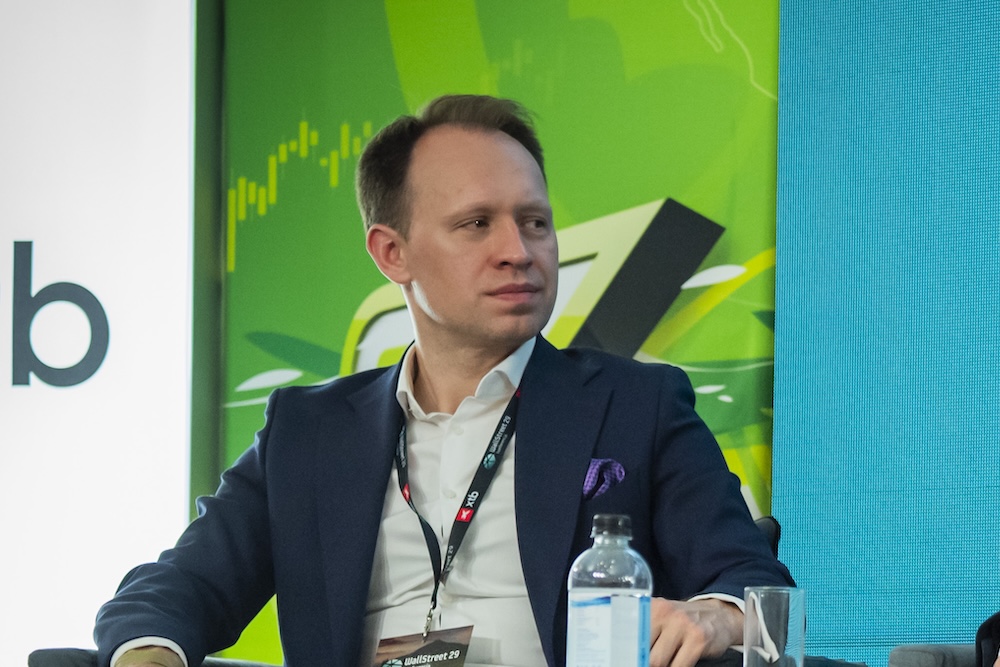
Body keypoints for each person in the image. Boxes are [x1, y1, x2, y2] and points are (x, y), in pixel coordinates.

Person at [95, 94, 793, 667]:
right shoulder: (308, 433)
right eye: (477, 224)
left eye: (535, 222)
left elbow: (756, 586)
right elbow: (174, 589)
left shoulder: (637, 405)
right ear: (392, 253)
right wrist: (149, 653)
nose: (518, 251)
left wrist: (716, 615)